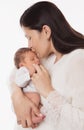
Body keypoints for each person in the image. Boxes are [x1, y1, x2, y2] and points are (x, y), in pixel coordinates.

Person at [9, 1, 84, 130]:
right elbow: (14, 75)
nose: (29, 46)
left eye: (30, 37)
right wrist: (17, 97)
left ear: (46, 31)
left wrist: (48, 91)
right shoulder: (43, 58)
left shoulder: (77, 60)